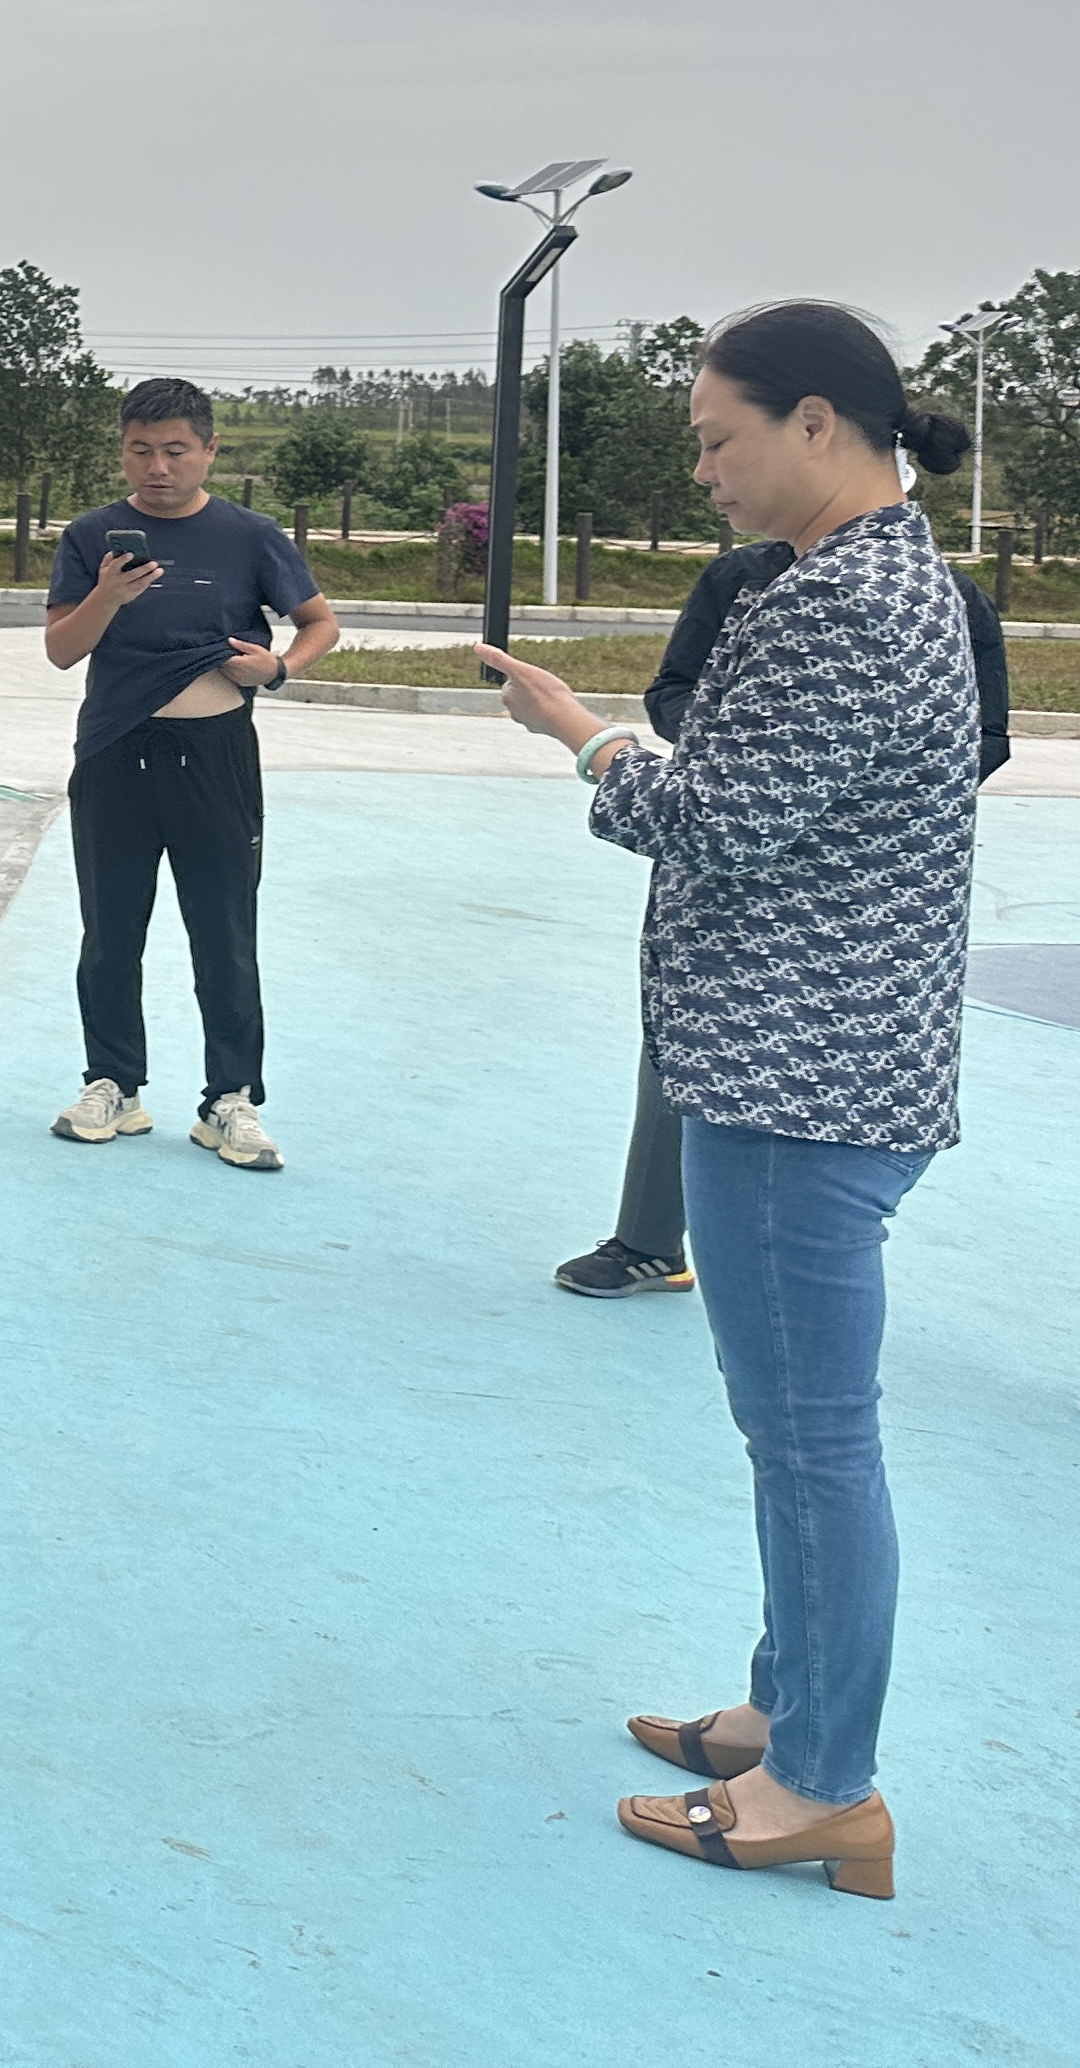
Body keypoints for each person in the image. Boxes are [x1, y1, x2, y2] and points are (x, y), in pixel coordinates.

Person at [477, 302, 977, 1902]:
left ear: (816, 423)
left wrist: (581, 737)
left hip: (797, 1081)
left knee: (813, 1440)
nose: (704, 470)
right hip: (824, 1065)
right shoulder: (875, 579)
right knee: (794, 1434)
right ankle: (792, 1708)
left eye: (718, 439)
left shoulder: (847, 602)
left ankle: (823, 1784)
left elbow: (717, 820)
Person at [557, 542, 1015, 1300]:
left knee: (794, 1231)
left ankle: (711, 1254)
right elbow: (676, 692)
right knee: (686, 1052)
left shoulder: (915, 595)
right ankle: (649, 1239)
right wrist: (750, 751)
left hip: (838, 925)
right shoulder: (743, 578)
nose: (710, 484)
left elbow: (983, 738)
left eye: (722, 457)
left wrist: (834, 789)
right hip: (726, 910)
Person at [39, 379, 340, 1170]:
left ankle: (229, 1100)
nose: (157, 467)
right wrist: (107, 595)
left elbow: (320, 622)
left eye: (175, 450)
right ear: (122, 451)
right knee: (111, 931)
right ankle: (113, 1084)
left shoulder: (250, 536)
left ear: (209, 449)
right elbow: (62, 648)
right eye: (140, 450)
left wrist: (279, 667)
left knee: (225, 933)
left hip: (216, 755)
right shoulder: (91, 536)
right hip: (115, 753)